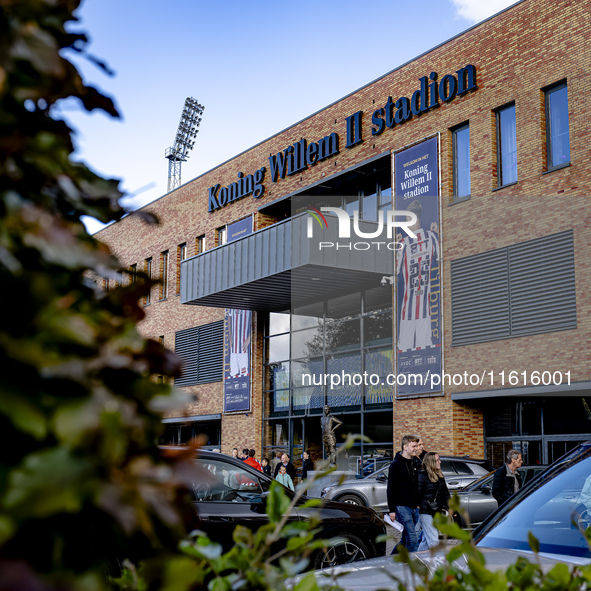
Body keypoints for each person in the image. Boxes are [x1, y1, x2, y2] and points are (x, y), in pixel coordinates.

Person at [396, 199, 440, 352]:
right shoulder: (432, 237)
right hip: (425, 310)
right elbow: (441, 257)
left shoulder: (404, 243)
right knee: (425, 351)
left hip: (407, 311)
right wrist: (439, 234)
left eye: (407, 219)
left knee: (404, 353)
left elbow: (395, 269)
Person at [387, 434, 421, 552]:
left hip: (414, 507)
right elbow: (391, 488)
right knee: (412, 539)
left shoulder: (415, 463)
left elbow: (416, 486)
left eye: (417, 446)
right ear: (405, 447)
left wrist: (418, 504)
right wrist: (392, 510)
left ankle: (392, 559)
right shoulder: (395, 465)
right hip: (402, 507)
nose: (416, 448)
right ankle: (411, 566)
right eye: (414, 446)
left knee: (405, 539)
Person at [417, 452, 450, 550]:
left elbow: (445, 493)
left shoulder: (439, 475)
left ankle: (416, 561)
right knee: (434, 540)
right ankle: (439, 563)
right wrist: (418, 506)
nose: (440, 462)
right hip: (425, 512)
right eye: (437, 460)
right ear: (431, 462)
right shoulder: (422, 476)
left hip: (436, 511)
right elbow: (417, 494)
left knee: (425, 541)